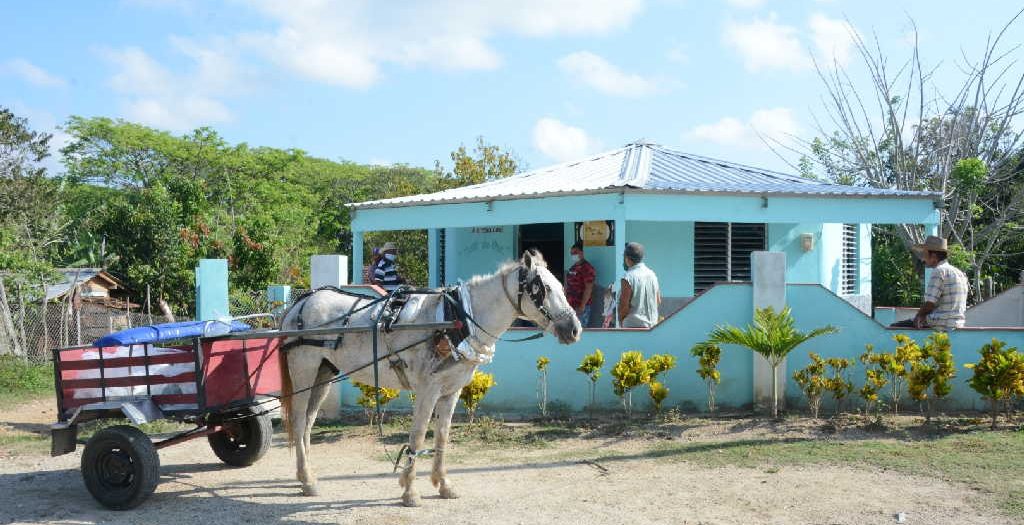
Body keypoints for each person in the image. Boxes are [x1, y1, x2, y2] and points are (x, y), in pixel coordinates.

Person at [890, 235, 968, 331]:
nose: (923, 259)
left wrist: (919, 316)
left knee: (893, 328)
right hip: (957, 323)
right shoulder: (959, 273)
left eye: (925, 255)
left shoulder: (939, 271)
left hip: (940, 322)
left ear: (934, 256)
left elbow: (930, 303)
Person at [618, 241, 661, 328]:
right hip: (652, 327)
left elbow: (624, 306)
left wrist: (621, 321)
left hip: (633, 327)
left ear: (627, 258)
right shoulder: (652, 274)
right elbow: (658, 300)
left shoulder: (628, 277)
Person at [565, 241, 596, 326]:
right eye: (571, 253)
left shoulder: (587, 268)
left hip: (581, 307)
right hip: (570, 307)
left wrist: (582, 306)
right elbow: (567, 286)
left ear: (582, 253)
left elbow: (588, 288)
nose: (573, 255)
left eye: (575, 253)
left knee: (579, 331)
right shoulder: (572, 268)